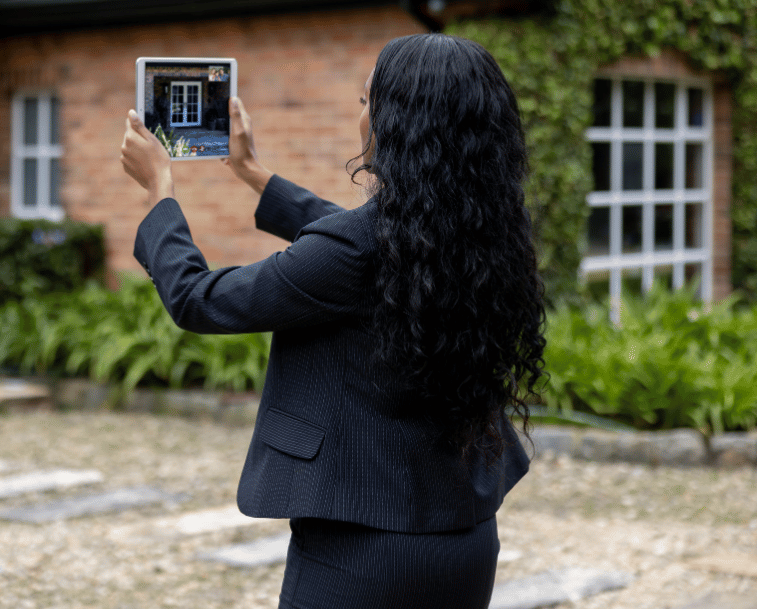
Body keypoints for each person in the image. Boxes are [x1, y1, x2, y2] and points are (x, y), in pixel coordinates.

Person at [120, 33, 546, 609]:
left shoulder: (358, 248)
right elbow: (367, 241)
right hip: (465, 543)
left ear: (400, 124)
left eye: (367, 102)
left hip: (362, 555)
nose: (362, 118)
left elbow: (200, 299)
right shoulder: (483, 230)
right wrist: (253, 174)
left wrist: (159, 192)